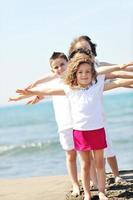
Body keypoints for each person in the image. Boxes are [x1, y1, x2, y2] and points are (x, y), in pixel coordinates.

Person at [14, 53, 133, 200]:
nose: (84, 75)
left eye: (88, 72)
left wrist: (124, 70)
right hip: (80, 132)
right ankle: (88, 194)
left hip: (97, 130)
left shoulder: (97, 85)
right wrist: (29, 91)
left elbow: (118, 82)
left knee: (100, 164)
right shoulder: (69, 89)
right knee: (85, 165)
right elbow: (48, 90)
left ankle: (102, 192)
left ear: (93, 73)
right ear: (75, 74)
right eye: (80, 72)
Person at [68, 35, 133, 183]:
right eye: (80, 49)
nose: (84, 51)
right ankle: (93, 181)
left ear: (92, 51)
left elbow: (118, 75)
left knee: (104, 149)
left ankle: (111, 177)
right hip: (78, 120)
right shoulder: (74, 73)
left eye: (87, 49)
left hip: (96, 118)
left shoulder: (97, 67)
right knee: (86, 157)